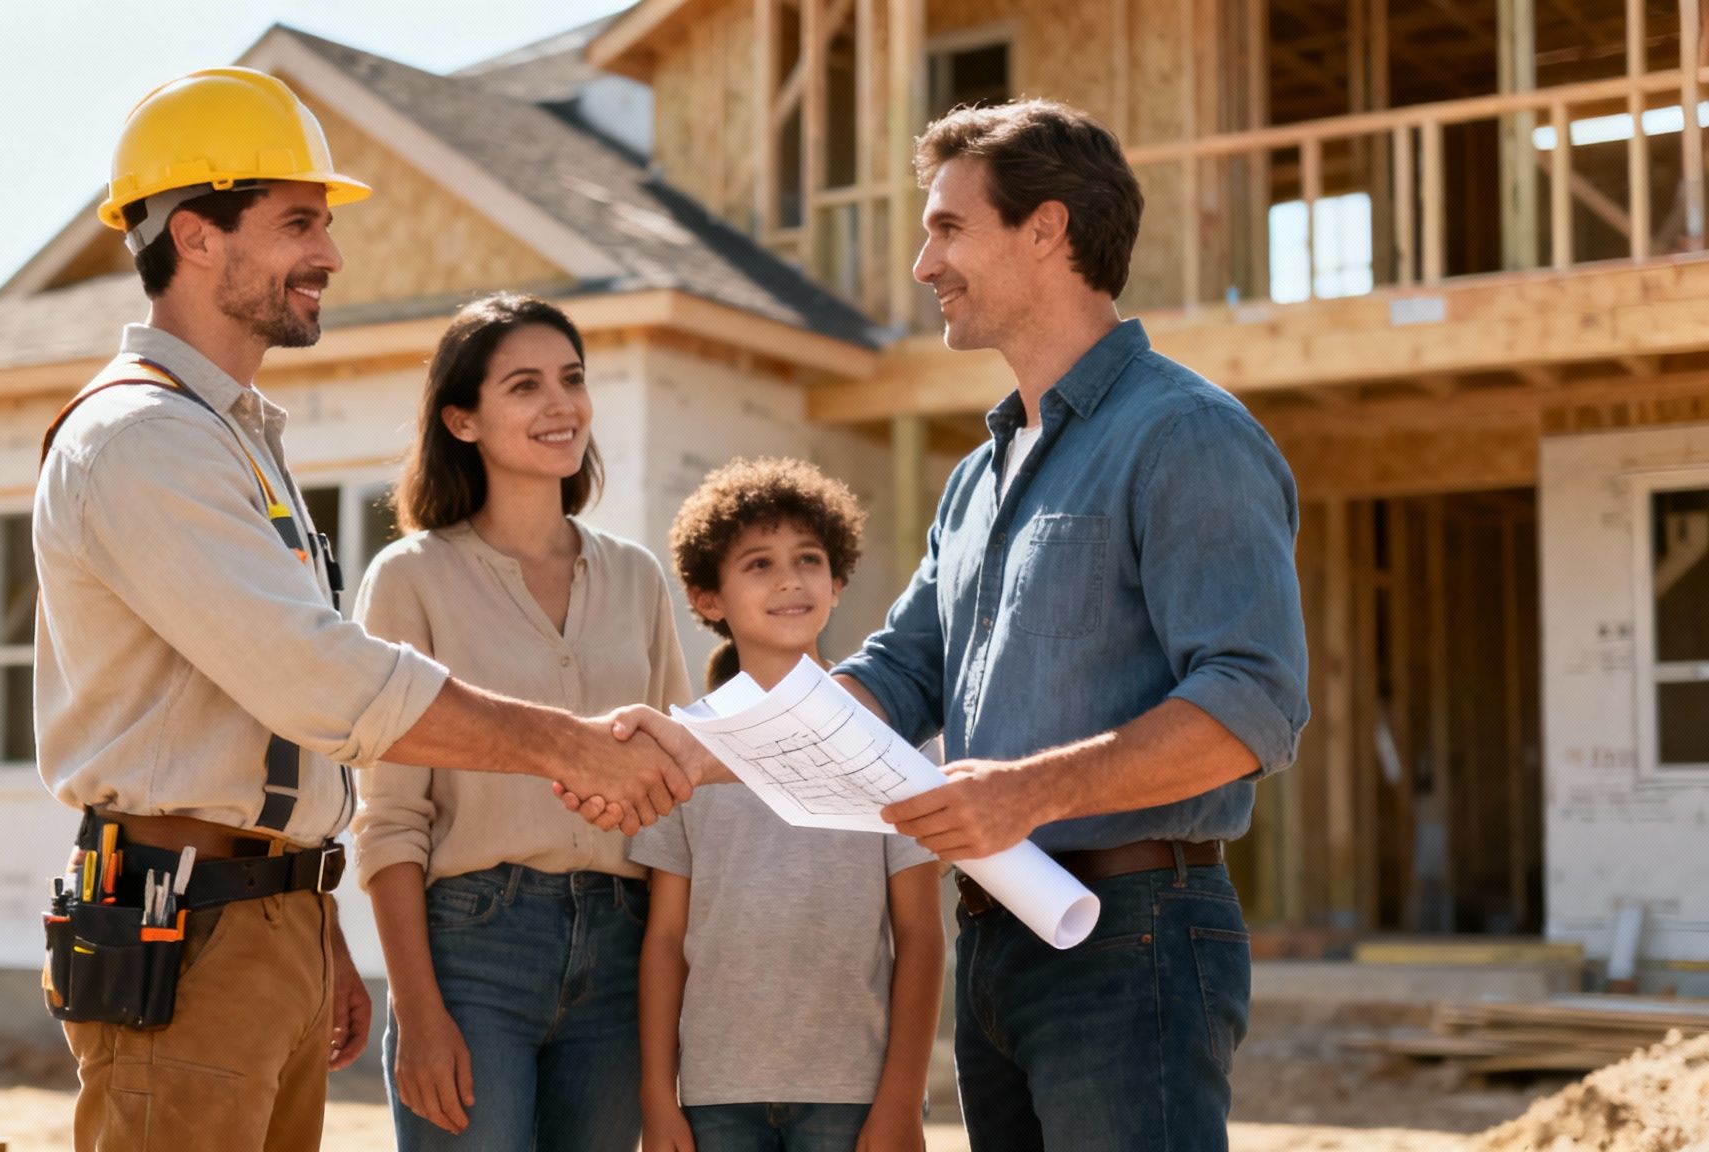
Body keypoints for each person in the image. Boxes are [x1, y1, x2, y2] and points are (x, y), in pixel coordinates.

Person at [593, 98, 1311, 1151]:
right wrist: (692, 751)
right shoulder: (978, 478)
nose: (924, 263)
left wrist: (1026, 792)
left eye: (946, 228)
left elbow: (1252, 702)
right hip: (996, 949)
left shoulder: (1185, 434)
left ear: (1046, 229)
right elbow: (894, 675)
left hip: (1131, 938)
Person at [35, 68, 691, 1152]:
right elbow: (321, 679)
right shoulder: (141, 441)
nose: (330, 256)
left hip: (257, 913)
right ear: (195, 236)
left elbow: (270, 730)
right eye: (299, 224)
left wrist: (312, 913)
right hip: (183, 922)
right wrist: (564, 746)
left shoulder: (231, 437)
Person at [350, 292, 694, 1151]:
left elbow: (679, 784)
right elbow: (389, 819)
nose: (560, 405)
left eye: (572, 379)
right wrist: (419, 1014)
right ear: (461, 420)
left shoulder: (638, 578)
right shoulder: (410, 580)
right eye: (525, 386)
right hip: (472, 951)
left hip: (624, 946)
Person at [633, 458, 944, 1152]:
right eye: (758, 564)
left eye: (809, 559)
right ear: (708, 597)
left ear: (837, 581)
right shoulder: (683, 748)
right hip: (716, 1095)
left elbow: (921, 936)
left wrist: (901, 1100)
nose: (789, 579)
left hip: (853, 1096)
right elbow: (663, 940)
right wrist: (658, 1096)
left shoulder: (895, 742)